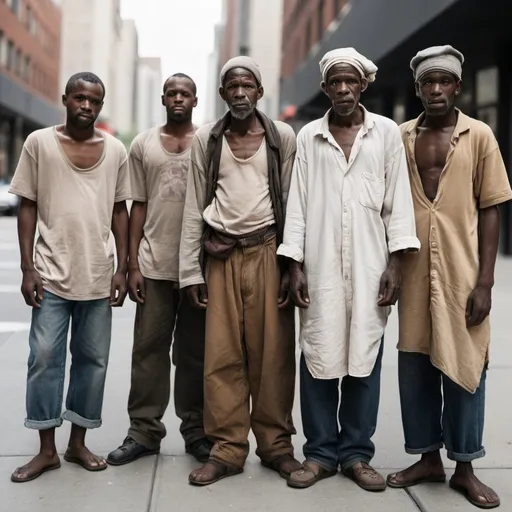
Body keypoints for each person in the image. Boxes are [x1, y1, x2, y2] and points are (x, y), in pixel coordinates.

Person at [277, 48, 420, 492]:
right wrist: (294, 265)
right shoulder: (309, 138)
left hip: (370, 264)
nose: (342, 88)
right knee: (318, 353)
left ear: (362, 86)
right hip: (318, 266)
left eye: (350, 81)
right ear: (325, 88)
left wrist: (396, 264)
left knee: (364, 357)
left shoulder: (386, 135)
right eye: (335, 82)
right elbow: (297, 206)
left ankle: (357, 454)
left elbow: (398, 204)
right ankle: (320, 454)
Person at [387, 45, 512, 510]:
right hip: (414, 271)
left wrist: (486, 283)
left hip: (462, 272)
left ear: (457, 85)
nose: (434, 89)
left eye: (443, 81)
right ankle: (427, 458)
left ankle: (464, 467)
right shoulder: (399, 137)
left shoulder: (479, 136)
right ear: (417, 87)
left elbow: (492, 207)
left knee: (465, 367)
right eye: (426, 82)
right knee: (415, 365)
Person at [179, 56, 301, 486]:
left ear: (260, 92)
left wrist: (293, 264)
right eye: (232, 86)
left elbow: (294, 201)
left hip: (268, 251)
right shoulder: (208, 139)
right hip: (221, 255)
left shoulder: (280, 136)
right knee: (222, 356)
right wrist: (190, 272)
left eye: (248, 86)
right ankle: (227, 449)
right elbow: (194, 205)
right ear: (222, 93)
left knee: (273, 356)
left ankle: (276, 447)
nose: (240, 93)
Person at [9, 72, 131, 482]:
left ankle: (78, 443)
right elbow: (26, 205)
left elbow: (120, 211)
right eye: (79, 98)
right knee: (44, 360)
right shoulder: (39, 143)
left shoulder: (115, 150)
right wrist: (27, 267)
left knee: (92, 363)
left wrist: (123, 267)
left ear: (101, 104)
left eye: (94, 101)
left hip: (97, 275)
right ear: (65, 99)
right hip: (49, 273)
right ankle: (46, 450)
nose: (86, 106)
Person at [107, 73, 211, 466]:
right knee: (148, 350)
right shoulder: (144, 144)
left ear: (195, 100)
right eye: (172, 93)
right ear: (164, 99)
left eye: (185, 93)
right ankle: (144, 432)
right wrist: (131, 264)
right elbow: (139, 206)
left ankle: (196, 430)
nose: (178, 98)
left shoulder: (207, 140)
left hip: (197, 269)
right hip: (152, 264)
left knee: (194, 354)